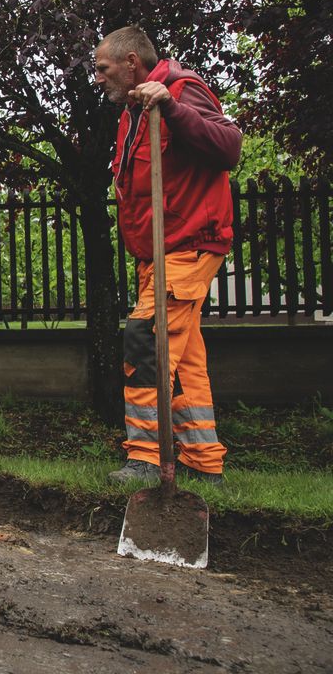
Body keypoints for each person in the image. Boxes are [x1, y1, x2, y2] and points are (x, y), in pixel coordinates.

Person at [94, 25, 242, 485]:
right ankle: (204, 463)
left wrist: (173, 108)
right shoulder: (134, 111)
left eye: (103, 68)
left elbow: (229, 147)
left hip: (188, 245)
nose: (97, 78)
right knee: (183, 360)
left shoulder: (181, 90)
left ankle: (143, 457)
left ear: (132, 61)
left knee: (146, 337)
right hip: (156, 255)